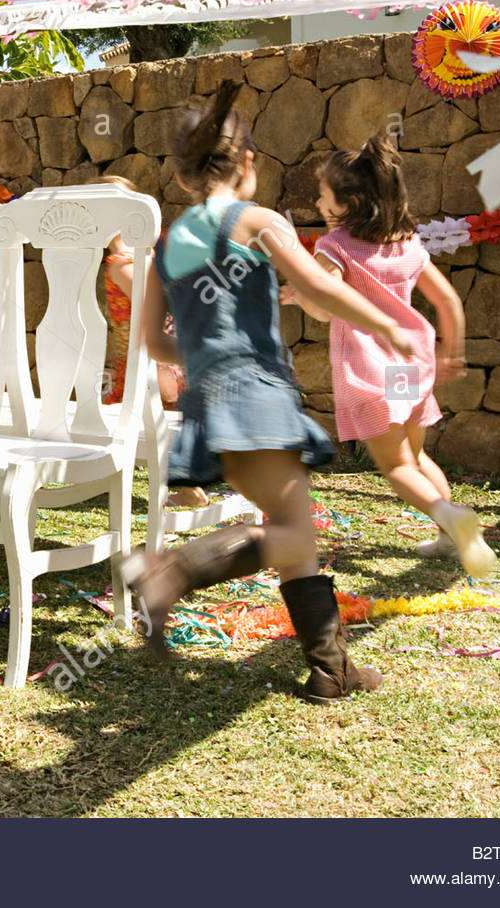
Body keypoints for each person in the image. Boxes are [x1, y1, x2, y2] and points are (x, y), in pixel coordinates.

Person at [122, 81, 415, 704]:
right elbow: (318, 284)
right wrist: (386, 323)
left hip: (208, 402)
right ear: (248, 162)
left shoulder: (166, 246)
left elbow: (151, 341)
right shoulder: (256, 222)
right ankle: (173, 569)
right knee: (293, 533)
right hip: (255, 393)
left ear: (181, 177)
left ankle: (330, 669)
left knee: (287, 526)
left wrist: (205, 355)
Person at [282, 132, 496, 576]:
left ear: (349, 202)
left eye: (323, 196)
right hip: (409, 367)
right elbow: (448, 302)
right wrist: (452, 353)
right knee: (416, 456)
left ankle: (450, 517)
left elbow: (323, 308)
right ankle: (452, 534)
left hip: (368, 368)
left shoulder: (334, 247)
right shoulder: (408, 245)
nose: (319, 204)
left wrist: (300, 296)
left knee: (395, 466)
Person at [92, 174, 208, 509]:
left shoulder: (132, 260)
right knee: (156, 416)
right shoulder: (126, 262)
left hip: (153, 354)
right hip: (148, 354)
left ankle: (187, 485)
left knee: (155, 416)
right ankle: (186, 484)